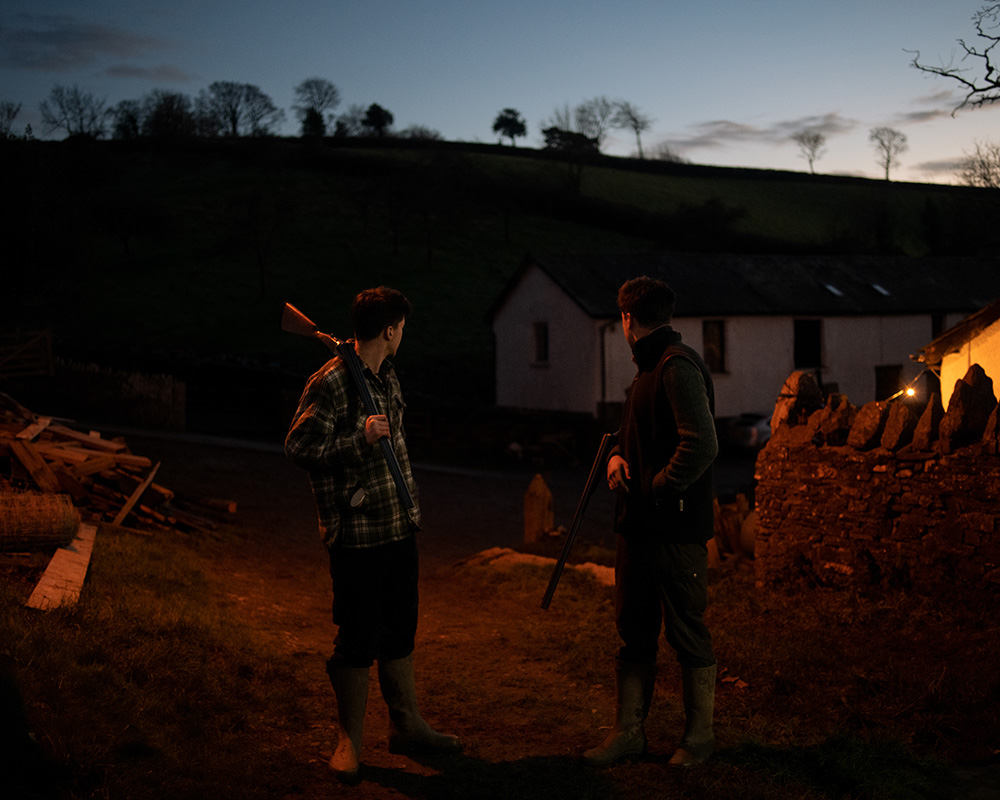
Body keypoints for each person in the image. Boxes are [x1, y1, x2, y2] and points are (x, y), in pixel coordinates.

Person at [285, 286, 460, 783]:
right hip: (357, 534)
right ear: (389, 329)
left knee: (400, 628)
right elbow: (298, 446)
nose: (403, 335)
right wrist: (358, 438)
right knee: (358, 635)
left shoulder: (383, 376)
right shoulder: (332, 382)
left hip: (398, 524)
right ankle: (350, 741)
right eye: (402, 328)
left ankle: (406, 726)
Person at [584, 276, 719, 768]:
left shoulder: (675, 368)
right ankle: (628, 735)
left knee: (687, 631)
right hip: (638, 529)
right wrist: (618, 457)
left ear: (626, 320)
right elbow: (634, 436)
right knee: (634, 630)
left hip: (674, 529)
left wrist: (658, 487)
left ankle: (699, 739)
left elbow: (702, 444)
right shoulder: (646, 371)